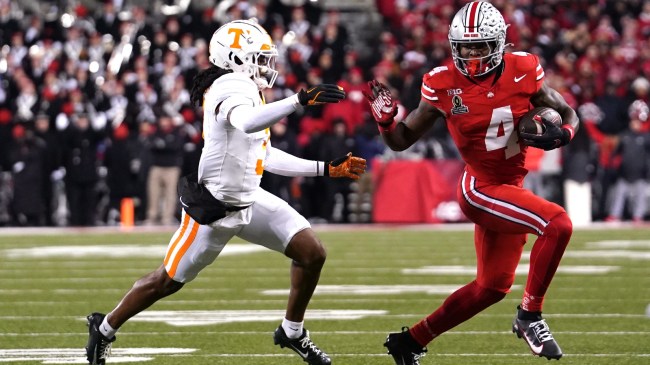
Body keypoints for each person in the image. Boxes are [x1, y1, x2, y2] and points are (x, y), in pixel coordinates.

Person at [85, 19, 366, 365]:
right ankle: (104, 328)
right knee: (165, 282)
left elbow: (263, 153)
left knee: (312, 252)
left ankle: (292, 332)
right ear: (234, 59)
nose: (267, 66)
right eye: (259, 58)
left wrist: (324, 168)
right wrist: (299, 100)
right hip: (215, 212)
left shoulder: (248, 88)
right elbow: (246, 122)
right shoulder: (228, 87)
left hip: (248, 200)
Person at [364, 2, 579, 364]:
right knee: (557, 223)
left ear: (499, 43)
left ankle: (410, 342)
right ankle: (529, 317)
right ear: (454, 46)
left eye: (480, 46)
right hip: (479, 187)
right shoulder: (442, 83)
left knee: (491, 288)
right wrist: (386, 123)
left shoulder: (524, 69)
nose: (473, 54)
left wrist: (565, 135)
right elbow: (401, 140)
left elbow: (567, 111)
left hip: (511, 185)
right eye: (466, 47)